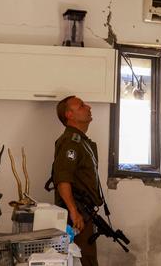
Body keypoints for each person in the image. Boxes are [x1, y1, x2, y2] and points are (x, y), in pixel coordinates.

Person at [52, 96, 102, 266]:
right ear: (70, 115)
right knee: (84, 260)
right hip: (76, 218)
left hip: (84, 214)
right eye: (81, 106)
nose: (88, 106)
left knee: (85, 259)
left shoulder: (81, 141)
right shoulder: (71, 142)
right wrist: (74, 212)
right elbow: (63, 179)